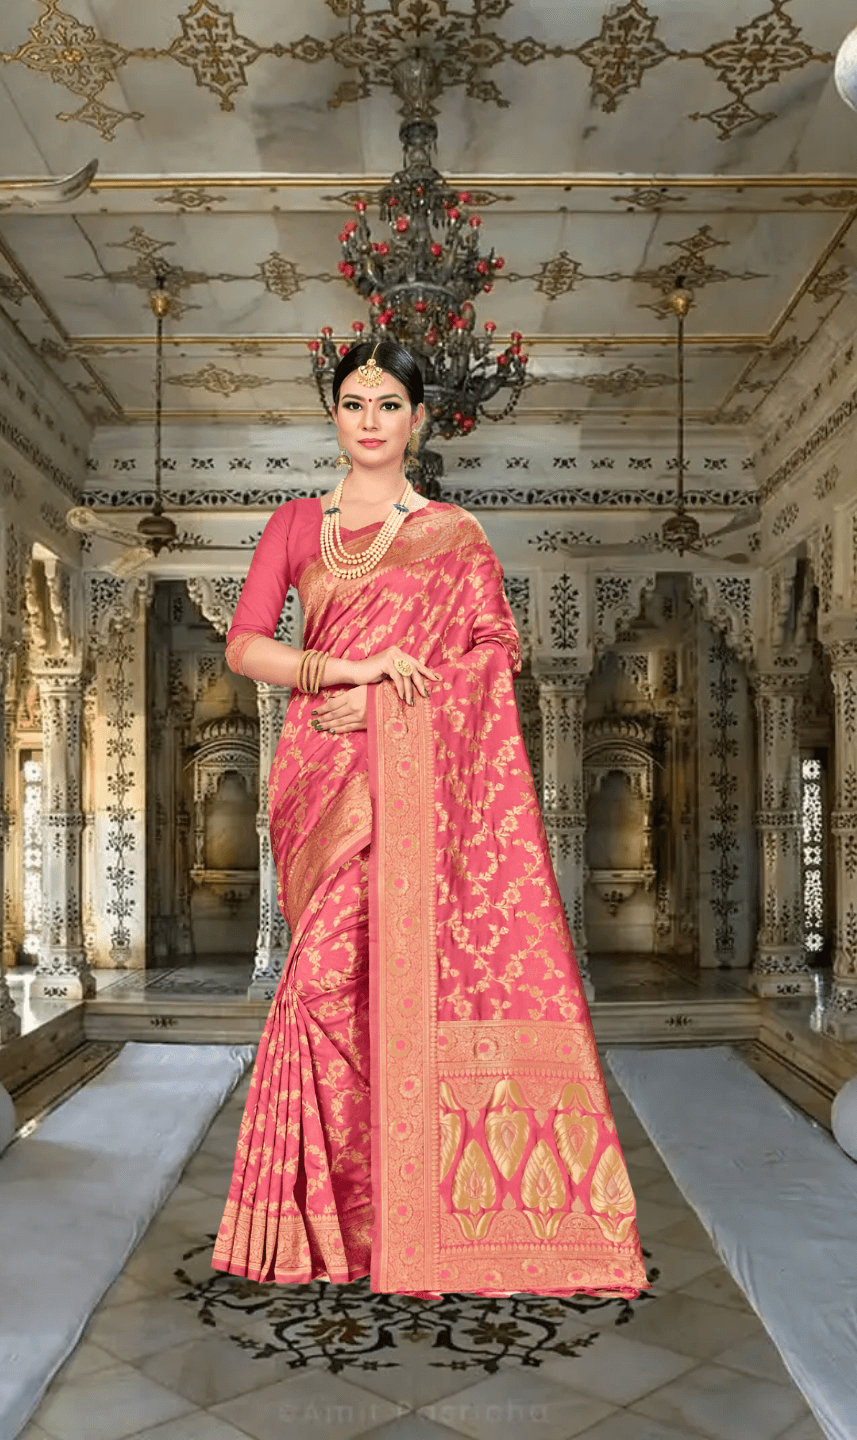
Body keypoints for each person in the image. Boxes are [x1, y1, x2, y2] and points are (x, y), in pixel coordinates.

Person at [212, 339, 648, 1299]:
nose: (370, 418)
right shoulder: (294, 525)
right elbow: (247, 648)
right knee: (324, 985)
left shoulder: (454, 534)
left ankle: (412, 1217)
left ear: (418, 418)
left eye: (389, 401)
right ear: (335, 414)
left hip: (412, 779)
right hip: (321, 780)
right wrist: (344, 671)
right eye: (353, 400)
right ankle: (324, 1229)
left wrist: (381, 705)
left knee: (395, 986)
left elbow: (496, 657)